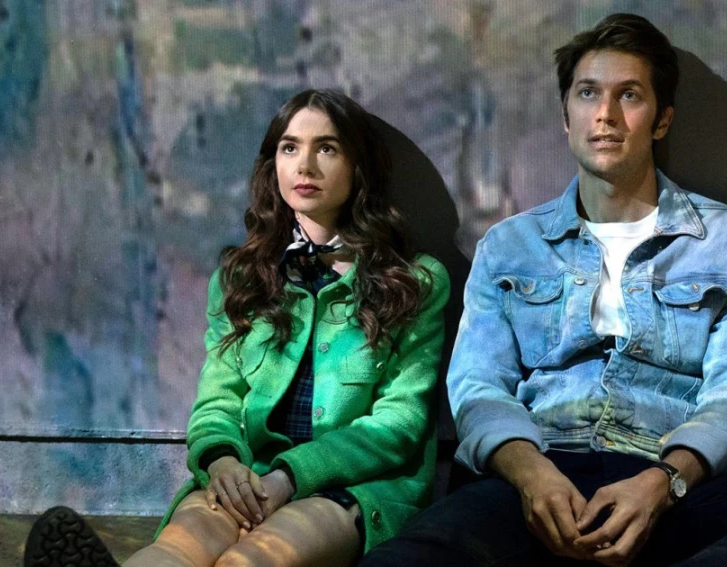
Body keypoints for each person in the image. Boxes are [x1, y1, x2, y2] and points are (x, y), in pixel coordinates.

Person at [362, 13, 727, 567]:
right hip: (534, 483)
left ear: (661, 120)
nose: (605, 114)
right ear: (566, 117)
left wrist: (663, 483)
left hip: (672, 490)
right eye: (588, 93)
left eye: (629, 95)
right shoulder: (510, 245)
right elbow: (478, 387)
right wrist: (532, 478)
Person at [23, 89, 450, 567]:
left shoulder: (414, 282)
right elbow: (218, 398)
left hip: (354, 488)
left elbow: (399, 423)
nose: (305, 165)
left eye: (327, 148)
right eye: (290, 147)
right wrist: (222, 460)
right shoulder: (242, 278)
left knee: (252, 560)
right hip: (249, 474)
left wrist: (289, 477)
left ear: (358, 166)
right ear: (274, 163)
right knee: (175, 550)